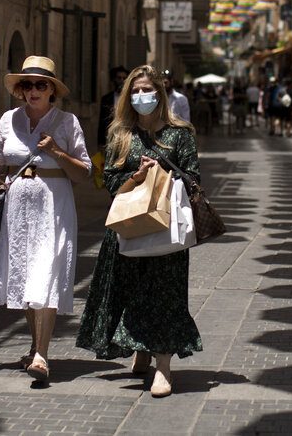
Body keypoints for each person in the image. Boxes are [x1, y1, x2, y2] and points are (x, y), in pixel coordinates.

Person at [0, 56, 91, 383]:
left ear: (52, 90)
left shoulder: (67, 123)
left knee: (45, 275)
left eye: (40, 85)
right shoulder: (8, 121)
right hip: (18, 209)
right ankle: (35, 346)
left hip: (53, 208)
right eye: (26, 85)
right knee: (28, 277)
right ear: (19, 90)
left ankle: (42, 356)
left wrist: (57, 152)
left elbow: (84, 173)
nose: (32, 91)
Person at [76, 65, 201, 398]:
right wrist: (137, 177)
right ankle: (141, 348)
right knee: (131, 292)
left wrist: (166, 176)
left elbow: (194, 179)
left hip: (166, 226)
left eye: (148, 90)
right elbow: (111, 183)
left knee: (165, 295)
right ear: (127, 95)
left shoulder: (180, 133)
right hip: (129, 225)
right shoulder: (120, 134)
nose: (142, 96)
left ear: (160, 94)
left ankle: (164, 367)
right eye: (136, 91)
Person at [97, 66, 128, 148]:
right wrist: (100, 142)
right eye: (119, 78)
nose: (121, 80)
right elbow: (102, 121)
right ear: (114, 79)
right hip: (110, 138)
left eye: (124, 78)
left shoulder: (131, 98)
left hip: (126, 136)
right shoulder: (106, 99)